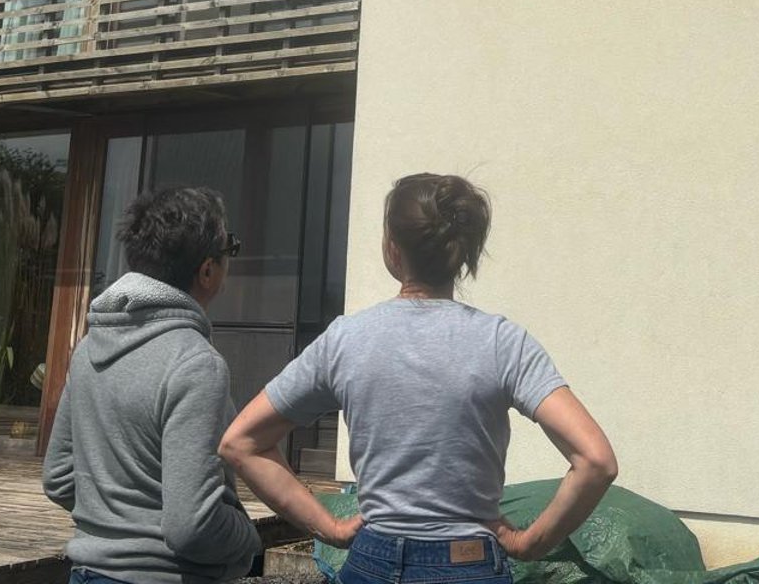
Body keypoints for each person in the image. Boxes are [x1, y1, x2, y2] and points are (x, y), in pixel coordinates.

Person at [221, 173, 618, 584]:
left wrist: (329, 527)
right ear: (463, 255)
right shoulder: (503, 342)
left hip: (371, 560)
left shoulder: (346, 339)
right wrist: (530, 543)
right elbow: (595, 460)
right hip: (469, 563)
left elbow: (241, 443)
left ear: (392, 249)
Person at [44, 186, 264, 584]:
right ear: (208, 271)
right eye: (229, 248)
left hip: (87, 572)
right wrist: (250, 537)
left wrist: (117, 522)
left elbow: (59, 476)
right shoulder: (196, 364)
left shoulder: (89, 348)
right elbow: (191, 525)